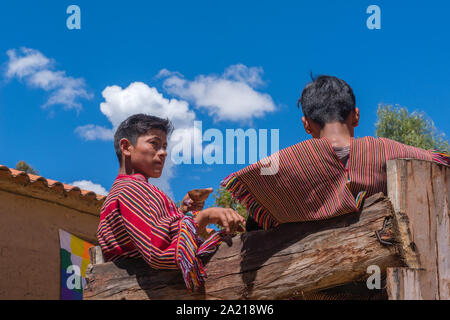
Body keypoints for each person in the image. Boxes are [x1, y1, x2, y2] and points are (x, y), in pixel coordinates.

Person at [222, 75, 449, 231]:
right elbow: (441, 165)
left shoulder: (280, 170)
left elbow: (255, 230)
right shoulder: (392, 153)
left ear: (306, 124)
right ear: (356, 115)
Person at [97, 114, 245, 291]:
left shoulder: (131, 189)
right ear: (126, 147)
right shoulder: (130, 190)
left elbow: (158, 233)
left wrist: (183, 213)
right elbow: (159, 248)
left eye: (165, 146)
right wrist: (205, 217)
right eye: (154, 143)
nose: (163, 152)